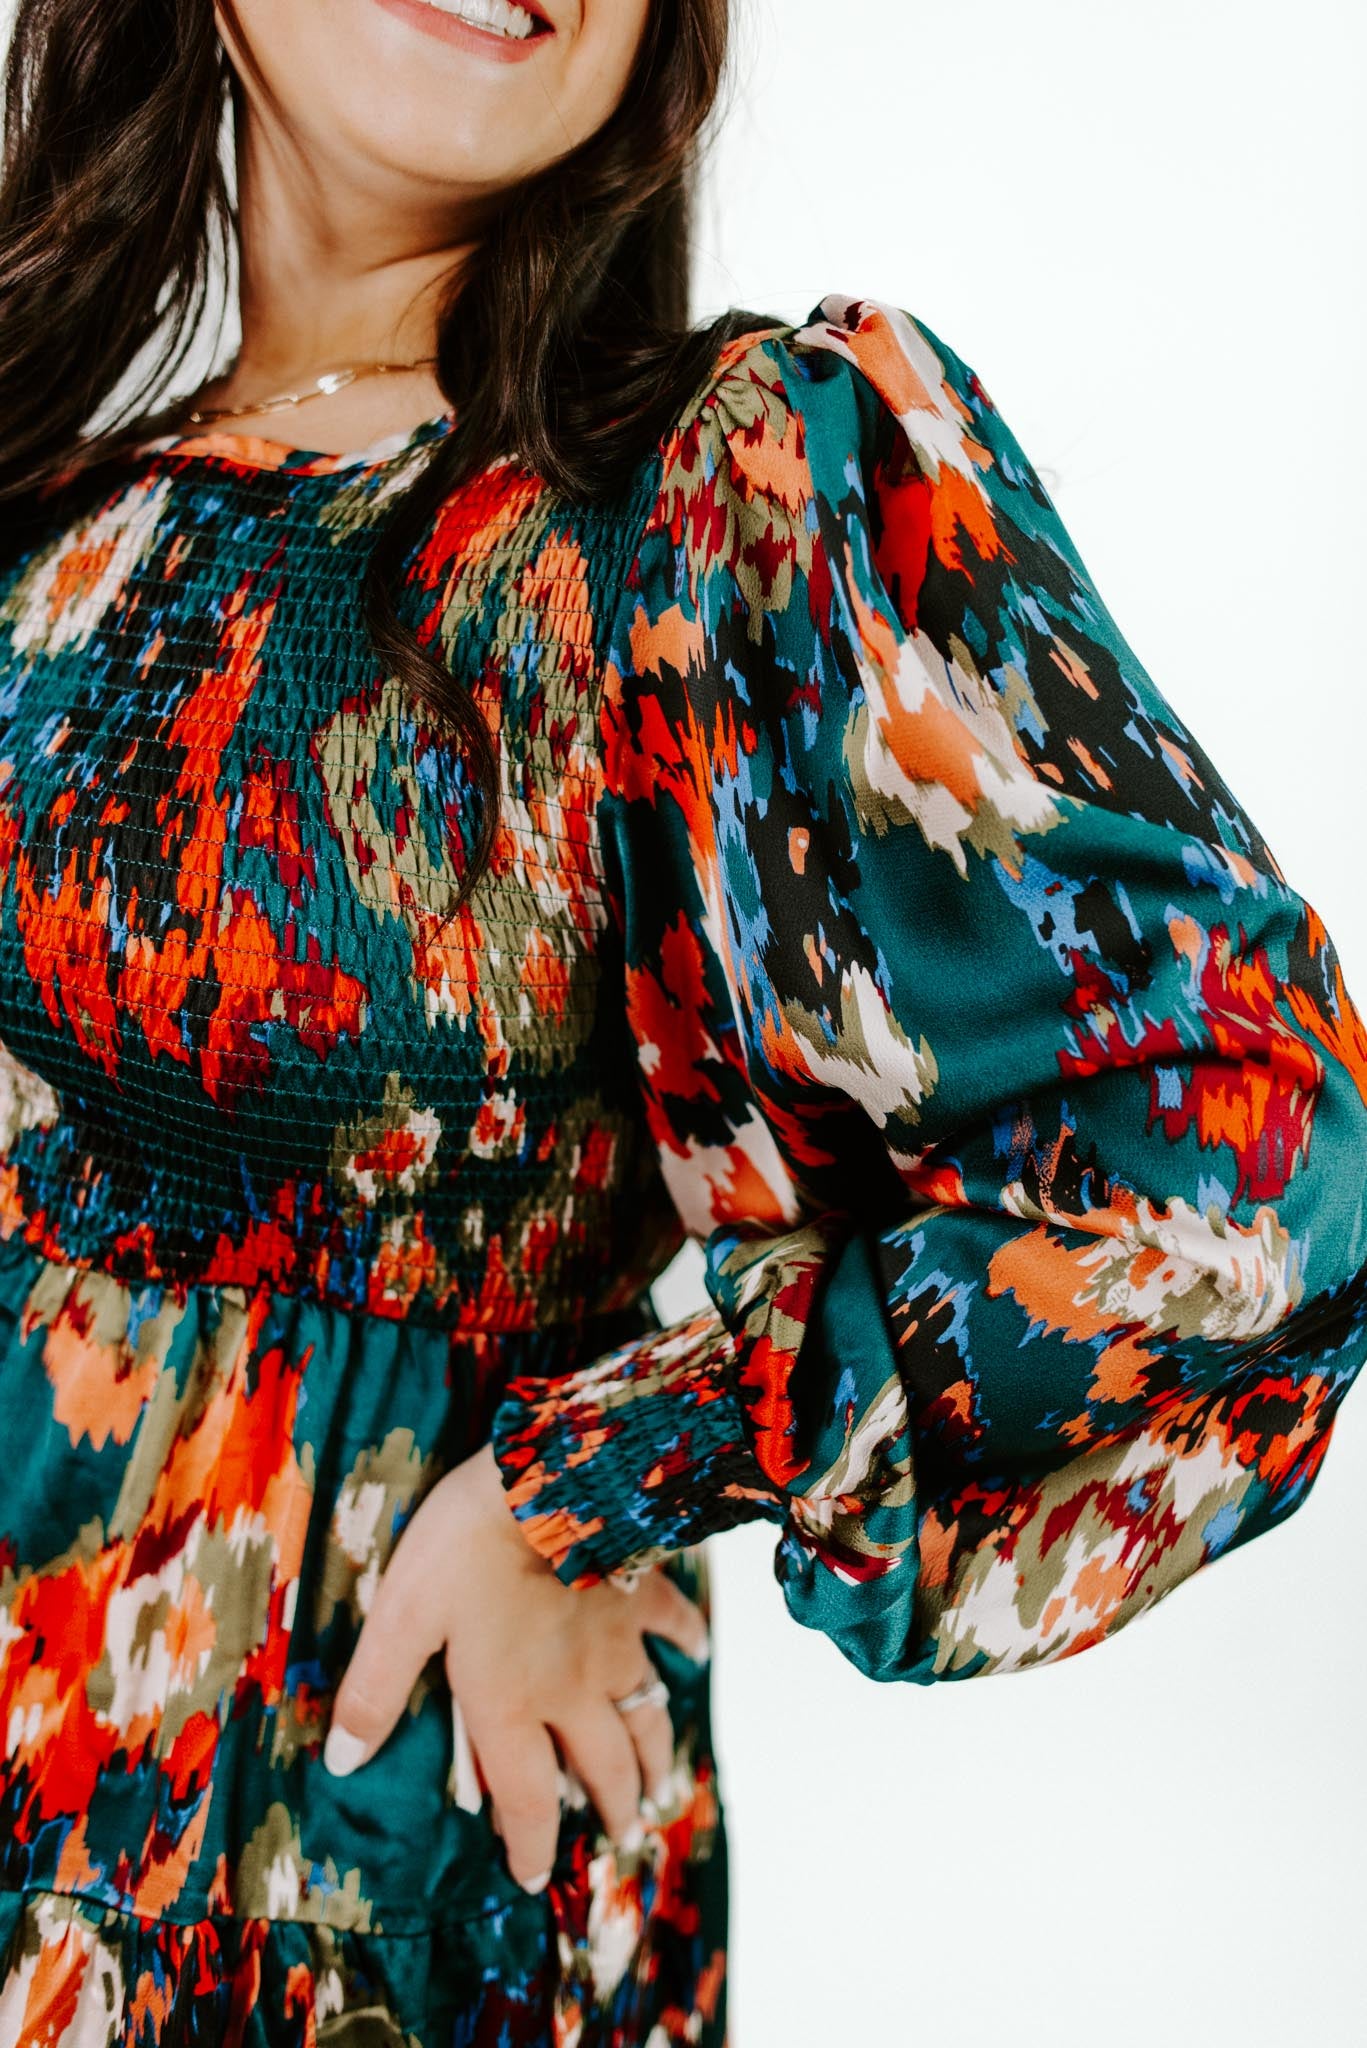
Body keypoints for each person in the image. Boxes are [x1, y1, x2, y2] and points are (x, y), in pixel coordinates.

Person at [0, 0, 1363, 2038]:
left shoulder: (722, 492)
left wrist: (594, 1478)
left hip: (368, 1899)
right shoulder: (54, 517)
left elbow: (1255, 1168)